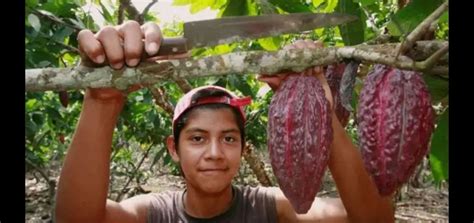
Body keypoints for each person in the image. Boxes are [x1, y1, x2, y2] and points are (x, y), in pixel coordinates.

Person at [54, 21, 395, 223]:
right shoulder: (153, 212)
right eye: (198, 138)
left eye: (229, 138)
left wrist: (317, 109)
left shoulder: (269, 207)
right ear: (174, 148)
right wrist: (102, 99)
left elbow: (373, 220)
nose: (215, 152)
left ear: (244, 147)